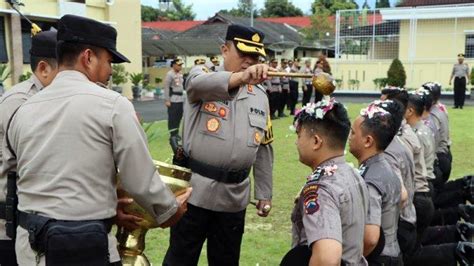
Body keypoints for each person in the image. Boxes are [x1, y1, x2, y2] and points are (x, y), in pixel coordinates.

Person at [2, 14, 190, 265]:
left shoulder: (24, 109)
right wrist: (169, 212)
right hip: (88, 247)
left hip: (32, 251)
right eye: (109, 61)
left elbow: (27, 178)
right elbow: (141, 181)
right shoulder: (112, 106)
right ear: (88, 57)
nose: (111, 71)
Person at [163, 24, 274, 266]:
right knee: (180, 259)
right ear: (224, 49)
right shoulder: (201, 76)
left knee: (226, 261)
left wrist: (264, 193)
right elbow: (196, 85)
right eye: (243, 54)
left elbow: (263, 147)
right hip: (194, 194)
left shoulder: (261, 96)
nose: (249, 61)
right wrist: (240, 78)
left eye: (255, 56)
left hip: (234, 198)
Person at [281, 98, 368, 266]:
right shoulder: (353, 173)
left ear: (316, 141)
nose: (296, 142)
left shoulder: (321, 189)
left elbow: (326, 259)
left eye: (299, 136)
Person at [0, 30, 58, 266]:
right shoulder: (21, 101)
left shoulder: (49, 97)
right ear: (43, 69)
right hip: (9, 225)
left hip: (35, 221)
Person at [350, 100, 403, 265]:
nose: (349, 138)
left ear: (368, 141)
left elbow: (371, 239)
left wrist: (352, 261)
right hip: (391, 252)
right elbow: (402, 197)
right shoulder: (384, 166)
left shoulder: (371, 179)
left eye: (353, 133)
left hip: (379, 258)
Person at [405, 90, 436, 239]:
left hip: (422, 188)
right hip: (427, 183)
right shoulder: (422, 129)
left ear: (410, 111)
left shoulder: (416, 135)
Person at [164, 58, 185, 153]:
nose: (180, 67)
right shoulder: (170, 74)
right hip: (173, 99)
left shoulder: (180, 74)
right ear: (173, 65)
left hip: (180, 99)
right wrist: (167, 100)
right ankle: (172, 134)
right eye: (179, 65)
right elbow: (166, 88)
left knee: (179, 116)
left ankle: (176, 133)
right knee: (172, 118)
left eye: (181, 65)